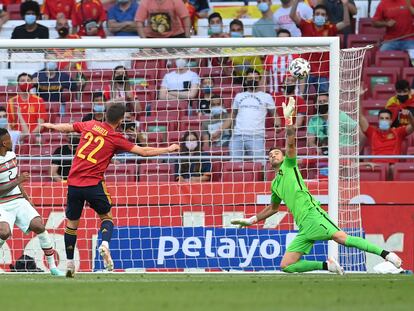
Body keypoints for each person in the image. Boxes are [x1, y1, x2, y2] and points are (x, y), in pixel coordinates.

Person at [231, 97, 403, 274]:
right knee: (287, 266)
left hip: (313, 215)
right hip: (304, 227)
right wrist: (251, 220)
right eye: (270, 155)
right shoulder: (275, 184)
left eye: (277, 153)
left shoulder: (289, 166)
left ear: (283, 158)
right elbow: (273, 208)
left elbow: (290, 142)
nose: (273, 156)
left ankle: (387, 254)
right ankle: (328, 266)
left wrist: (289, 120)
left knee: (341, 238)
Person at [41, 103, 180, 277]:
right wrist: (167, 149)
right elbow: (143, 152)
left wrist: (52, 126)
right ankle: (105, 244)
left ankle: (69, 264)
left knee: (72, 224)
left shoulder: (90, 124)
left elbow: (68, 127)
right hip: (93, 184)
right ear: (121, 120)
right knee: (106, 218)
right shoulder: (115, 137)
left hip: (74, 184)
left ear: (105, 115)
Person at [0, 128, 63, 276]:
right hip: (2, 203)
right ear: (4, 142)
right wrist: (18, 181)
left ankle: (53, 268)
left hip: (18, 200)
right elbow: (14, 182)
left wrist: (28, 199)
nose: (12, 141)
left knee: (39, 225)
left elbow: (17, 181)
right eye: (9, 139)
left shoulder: (12, 155)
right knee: (4, 233)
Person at [289, 0, 350, 94]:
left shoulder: (330, 29)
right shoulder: (306, 26)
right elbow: (292, 16)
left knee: (324, 102)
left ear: (326, 18)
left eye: (323, 14)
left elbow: (346, 23)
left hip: (323, 73)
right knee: (301, 99)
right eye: (317, 14)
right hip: (306, 71)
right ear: (313, 17)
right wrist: (296, 1)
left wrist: (345, 5)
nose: (320, 16)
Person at [228, 69, 278, 161]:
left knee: (260, 164)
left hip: (256, 136)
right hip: (237, 136)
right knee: (234, 164)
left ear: (259, 80)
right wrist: (220, 130)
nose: (253, 80)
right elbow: (232, 115)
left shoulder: (266, 97)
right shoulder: (239, 96)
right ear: (246, 80)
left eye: (255, 78)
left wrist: (278, 124)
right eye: (250, 78)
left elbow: (274, 114)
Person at [264, 29, 300, 93]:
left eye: (286, 39)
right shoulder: (270, 56)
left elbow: (301, 77)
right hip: (275, 94)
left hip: (293, 94)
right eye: (281, 39)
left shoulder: (296, 56)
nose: (283, 41)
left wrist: (301, 93)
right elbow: (264, 77)